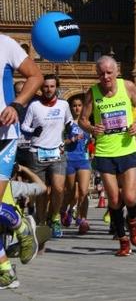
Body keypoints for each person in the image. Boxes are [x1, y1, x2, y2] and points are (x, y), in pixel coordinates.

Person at [79, 55, 136, 257]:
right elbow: (82, 120)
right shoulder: (93, 92)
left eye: (109, 72)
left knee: (131, 197)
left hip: (127, 149)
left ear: (116, 71)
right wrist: (92, 128)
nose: (105, 77)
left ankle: (132, 222)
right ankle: (123, 240)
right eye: (101, 74)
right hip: (105, 151)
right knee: (115, 200)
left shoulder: (128, 86)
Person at [0, 33, 43, 289]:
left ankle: (19, 225)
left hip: (3, 135)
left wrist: (16, 105)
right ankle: (5, 268)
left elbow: (36, 76)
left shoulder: (4, 43)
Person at [20, 74, 72, 238]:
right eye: (45, 87)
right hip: (37, 153)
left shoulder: (64, 105)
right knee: (41, 192)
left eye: (52, 86)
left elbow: (69, 121)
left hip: (57, 151)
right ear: (41, 89)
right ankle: (42, 222)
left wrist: (71, 129)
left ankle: (55, 217)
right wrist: (33, 131)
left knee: (58, 188)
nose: (49, 90)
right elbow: (24, 127)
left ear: (56, 87)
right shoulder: (34, 106)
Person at [60, 95, 92, 235]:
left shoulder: (87, 123)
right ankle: (63, 211)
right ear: (70, 108)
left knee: (84, 192)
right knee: (71, 192)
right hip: (70, 160)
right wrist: (72, 139)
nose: (77, 108)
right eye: (74, 105)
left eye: (79, 105)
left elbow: (92, 139)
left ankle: (82, 219)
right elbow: (60, 141)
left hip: (84, 160)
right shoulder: (67, 124)